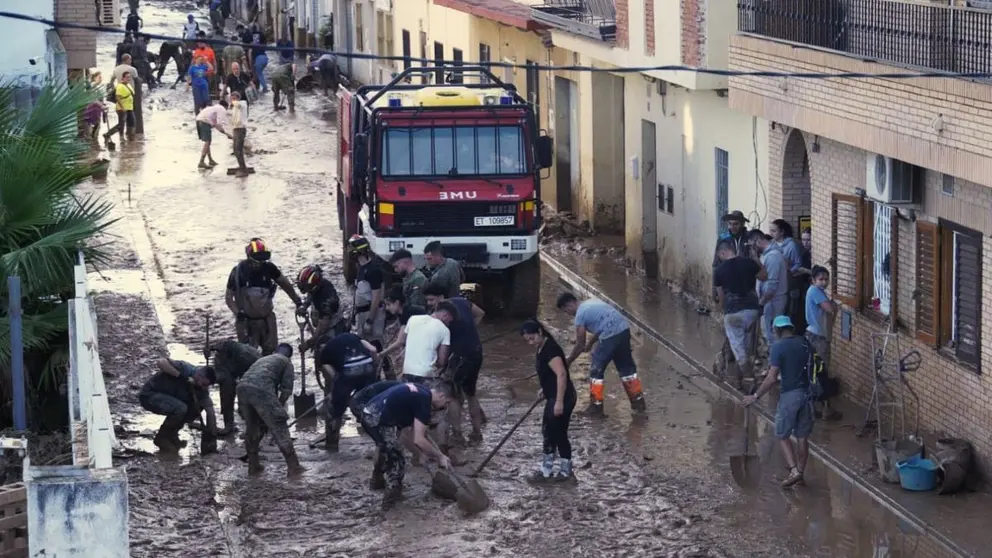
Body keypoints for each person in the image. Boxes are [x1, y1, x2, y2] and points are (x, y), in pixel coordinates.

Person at [359, 382, 453, 510]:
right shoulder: (424, 401)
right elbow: (419, 440)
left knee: (388, 448)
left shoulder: (422, 392)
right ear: (441, 396)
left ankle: (377, 482)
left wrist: (420, 454)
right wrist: (440, 457)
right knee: (397, 462)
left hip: (370, 412)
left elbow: (409, 434)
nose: (445, 407)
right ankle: (390, 505)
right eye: (447, 403)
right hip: (377, 419)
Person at [744, 315, 814, 487]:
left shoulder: (778, 347)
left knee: (782, 434)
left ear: (777, 330)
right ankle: (801, 473)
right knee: (802, 437)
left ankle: (793, 471)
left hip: (790, 395)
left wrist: (755, 396)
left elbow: (771, 378)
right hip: (808, 395)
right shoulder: (805, 343)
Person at [557, 292, 646, 416]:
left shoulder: (580, 315)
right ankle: (638, 402)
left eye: (566, 311)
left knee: (596, 370)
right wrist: (591, 343)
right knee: (627, 369)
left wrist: (569, 360)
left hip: (610, 336)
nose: (568, 314)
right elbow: (602, 325)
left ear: (568, 305)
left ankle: (596, 407)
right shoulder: (592, 302)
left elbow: (579, 343)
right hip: (624, 330)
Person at [423, 283, 485, 445]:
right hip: (476, 351)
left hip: (459, 358)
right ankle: (477, 433)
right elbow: (480, 314)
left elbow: (439, 347)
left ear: (441, 298)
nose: (429, 304)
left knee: (452, 397)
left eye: (431, 300)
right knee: (471, 394)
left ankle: (458, 435)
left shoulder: (441, 320)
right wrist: (470, 332)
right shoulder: (462, 301)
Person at [520, 319, 577, 482]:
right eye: (527, 340)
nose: (530, 343)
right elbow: (549, 375)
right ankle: (548, 469)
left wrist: (559, 401)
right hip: (553, 394)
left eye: (532, 338)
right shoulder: (541, 347)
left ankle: (563, 471)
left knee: (557, 433)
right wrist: (545, 389)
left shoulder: (550, 350)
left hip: (563, 397)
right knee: (548, 431)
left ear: (539, 332)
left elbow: (561, 374)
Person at [225, 238, 304, 354]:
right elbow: (228, 297)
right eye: (257, 262)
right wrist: (237, 312)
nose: (259, 265)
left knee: (271, 353)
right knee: (247, 356)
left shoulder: (269, 268)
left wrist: (298, 302)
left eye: (262, 262)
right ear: (249, 258)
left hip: (267, 320)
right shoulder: (238, 272)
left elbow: (285, 284)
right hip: (246, 321)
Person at [237, 343, 305, 477]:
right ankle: (293, 466)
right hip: (260, 389)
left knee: (252, 428)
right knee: (279, 425)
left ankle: (253, 465)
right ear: (290, 356)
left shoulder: (263, 359)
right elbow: (286, 391)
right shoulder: (286, 362)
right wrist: (277, 408)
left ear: (275, 350)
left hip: (242, 388)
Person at [713, 239, 767, 390]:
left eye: (719, 255)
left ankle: (750, 380)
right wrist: (757, 260)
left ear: (723, 252)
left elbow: (721, 297)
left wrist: (721, 312)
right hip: (752, 311)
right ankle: (738, 380)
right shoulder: (749, 262)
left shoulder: (719, 270)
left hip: (733, 312)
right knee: (746, 346)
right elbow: (764, 276)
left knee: (739, 349)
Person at [138, 357, 217, 455]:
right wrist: (180, 376)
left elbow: (210, 411)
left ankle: (172, 434)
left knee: (195, 408)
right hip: (150, 395)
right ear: (199, 374)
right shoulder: (185, 368)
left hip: (170, 400)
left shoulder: (201, 389)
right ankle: (161, 438)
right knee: (180, 408)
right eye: (203, 383)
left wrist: (211, 436)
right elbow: (161, 362)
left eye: (206, 386)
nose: (203, 387)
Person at [317, 332, 380, 452]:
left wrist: (338, 390)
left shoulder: (324, 352)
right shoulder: (352, 336)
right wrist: (374, 366)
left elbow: (332, 374)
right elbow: (373, 349)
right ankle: (380, 442)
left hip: (348, 372)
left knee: (334, 412)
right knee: (369, 406)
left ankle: (332, 445)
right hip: (368, 369)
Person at [382, 302, 457, 385]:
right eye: (449, 321)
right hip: (427, 375)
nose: (448, 324)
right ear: (445, 315)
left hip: (408, 371)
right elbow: (442, 361)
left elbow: (405, 341)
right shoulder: (445, 330)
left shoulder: (412, 319)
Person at [805, 266, 841, 421]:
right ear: (813, 280)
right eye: (820, 279)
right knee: (821, 372)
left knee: (815, 371)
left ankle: (817, 406)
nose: (824, 282)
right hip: (818, 338)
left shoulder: (816, 292)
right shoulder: (815, 292)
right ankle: (825, 408)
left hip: (816, 335)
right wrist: (834, 306)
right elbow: (829, 309)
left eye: (826, 279)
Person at [206, 339, 260, 436]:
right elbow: (220, 376)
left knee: (246, 400)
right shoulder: (221, 355)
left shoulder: (249, 356)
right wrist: (207, 379)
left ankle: (255, 427)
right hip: (230, 368)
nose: (218, 356)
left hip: (251, 371)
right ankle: (229, 424)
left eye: (220, 354)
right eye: (218, 354)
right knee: (226, 392)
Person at [750, 230, 789, 353]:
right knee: (768, 335)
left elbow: (771, 285)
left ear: (758, 241)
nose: (752, 248)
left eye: (752, 245)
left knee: (772, 336)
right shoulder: (766, 255)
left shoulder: (773, 257)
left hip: (773, 301)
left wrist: (761, 302)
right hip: (769, 301)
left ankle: (775, 369)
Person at [297, 264, 347, 354]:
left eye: (307, 287)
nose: (306, 290)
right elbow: (310, 294)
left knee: (328, 354)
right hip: (322, 325)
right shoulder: (316, 287)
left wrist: (309, 343)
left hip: (333, 328)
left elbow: (323, 325)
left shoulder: (326, 298)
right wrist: (304, 306)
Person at [349, 235, 387, 349]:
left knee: (375, 346)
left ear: (358, 251)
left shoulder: (373, 271)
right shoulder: (362, 268)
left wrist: (370, 320)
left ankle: (383, 366)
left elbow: (377, 297)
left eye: (351, 250)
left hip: (371, 314)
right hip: (362, 313)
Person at [711, 210, 751, 300]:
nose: (732, 227)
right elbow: (716, 264)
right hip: (728, 285)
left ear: (742, 224)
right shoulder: (723, 239)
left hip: (747, 284)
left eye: (736, 224)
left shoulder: (749, 238)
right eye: (730, 224)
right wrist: (714, 289)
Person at [194, 99, 231, 169]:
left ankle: (210, 160)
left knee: (208, 142)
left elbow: (216, 125)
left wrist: (225, 133)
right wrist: (228, 134)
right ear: (225, 106)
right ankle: (201, 162)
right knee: (207, 142)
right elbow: (219, 124)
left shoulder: (214, 108)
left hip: (199, 120)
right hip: (204, 121)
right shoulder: (221, 108)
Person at [104, 72, 136, 144]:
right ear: (123, 78)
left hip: (129, 107)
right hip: (122, 108)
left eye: (129, 77)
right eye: (127, 77)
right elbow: (117, 97)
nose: (128, 79)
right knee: (121, 124)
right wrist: (122, 107)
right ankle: (111, 135)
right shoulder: (120, 86)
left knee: (132, 122)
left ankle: (131, 137)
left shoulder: (128, 85)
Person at [229, 92, 249, 176]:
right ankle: (241, 166)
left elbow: (238, 105)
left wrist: (232, 102)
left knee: (238, 149)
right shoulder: (235, 108)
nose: (232, 100)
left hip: (241, 129)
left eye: (234, 98)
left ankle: (243, 169)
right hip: (235, 129)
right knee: (235, 149)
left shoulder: (243, 104)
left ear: (238, 98)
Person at [249, 24, 268, 93]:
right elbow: (265, 45)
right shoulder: (262, 35)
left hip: (257, 58)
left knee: (258, 73)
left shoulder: (250, 35)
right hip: (264, 57)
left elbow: (249, 49)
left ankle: (264, 87)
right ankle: (257, 86)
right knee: (258, 73)